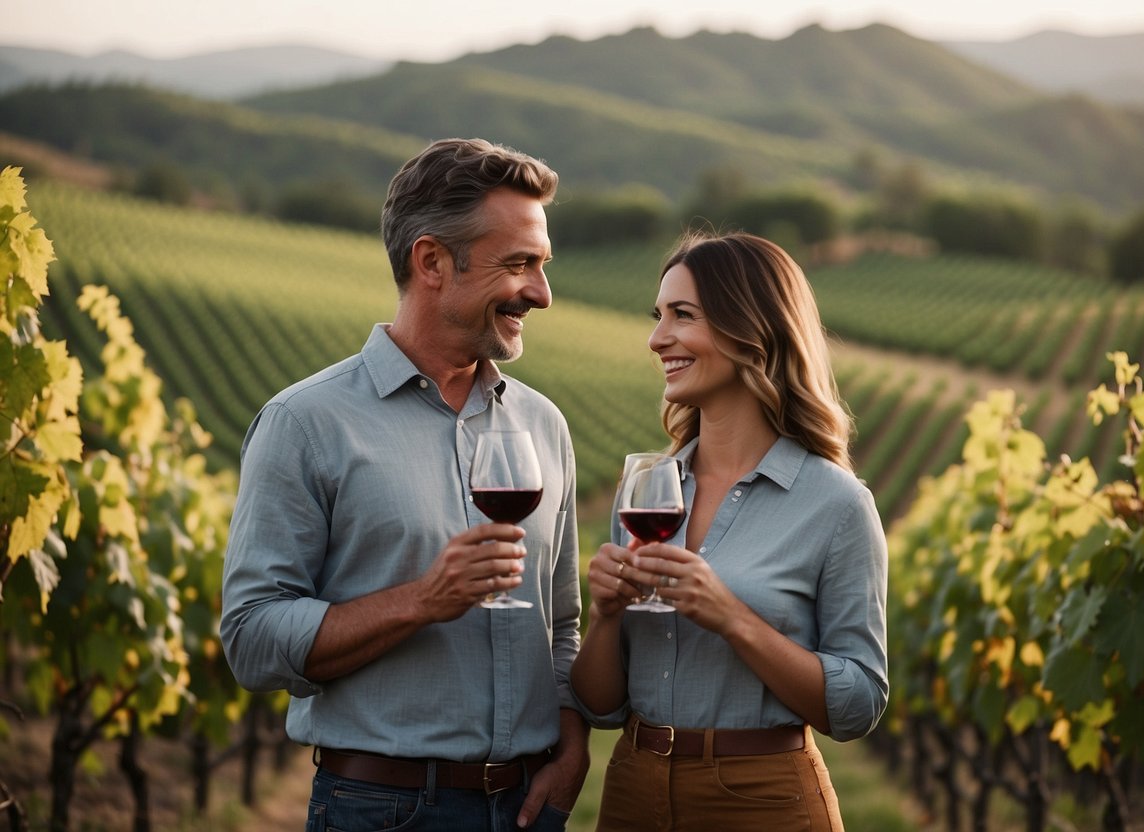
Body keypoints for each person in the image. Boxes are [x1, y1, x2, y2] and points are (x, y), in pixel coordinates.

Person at [220, 138, 588, 831]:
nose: (540, 293)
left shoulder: (543, 425)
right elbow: (252, 636)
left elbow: (561, 623)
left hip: (527, 809)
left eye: (541, 266)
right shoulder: (306, 421)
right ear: (431, 263)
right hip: (383, 808)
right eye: (519, 265)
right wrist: (424, 600)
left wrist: (571, 747)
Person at [570, 231, 888, 830]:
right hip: (633, 790)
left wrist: (732, 617)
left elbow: (859, 703)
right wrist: (607, 614)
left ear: (752, 330)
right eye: (657, 316)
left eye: (682, 316)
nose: (656, 338)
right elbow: (600, 705)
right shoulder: (649, 491)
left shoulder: (836, 503)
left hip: (762, 800)